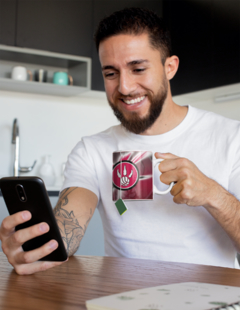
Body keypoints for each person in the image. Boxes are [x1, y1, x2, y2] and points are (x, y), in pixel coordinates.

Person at [1, 7, 240, 275]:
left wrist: (214, 195)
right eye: (111, 73)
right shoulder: (92, 150)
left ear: (169, 67)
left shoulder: (231, 138)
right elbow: (70, 222)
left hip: (211, 309)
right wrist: (39, 247)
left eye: (138, 68)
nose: (124, 87)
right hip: (121, 303)